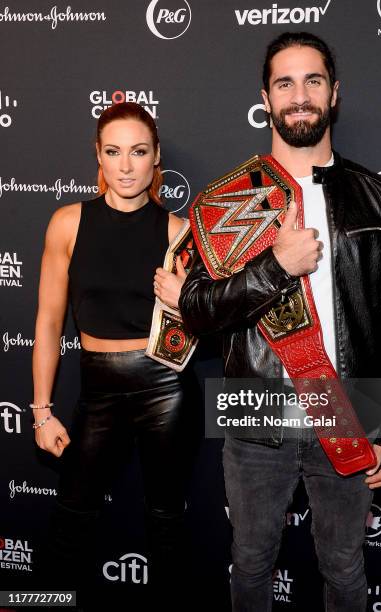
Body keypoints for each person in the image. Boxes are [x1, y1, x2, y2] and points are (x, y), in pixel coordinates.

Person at [179, 32, 381, 612]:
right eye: (285, 83)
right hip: (256, 411)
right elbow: (195, 312)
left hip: (350, 406)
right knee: (251, 564)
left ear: (334, 94)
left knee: (344, 568)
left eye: (313, 80)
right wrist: (274, 268)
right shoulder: (228, 201)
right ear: (265, 98)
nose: (300, 95)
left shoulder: (376, 196)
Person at [32, 102, 194, 608]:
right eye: (114, 152)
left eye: (139, 152)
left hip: (165, 388)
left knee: (166, 524)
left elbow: (204, 327)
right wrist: (40, 409)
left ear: (156, 157)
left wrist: (185, 300)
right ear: (98, 158)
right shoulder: (67, 223)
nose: (126, 166)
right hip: (97, 386)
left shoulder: (179, 232)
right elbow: (48, 321)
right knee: (70, 519)